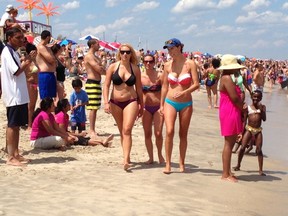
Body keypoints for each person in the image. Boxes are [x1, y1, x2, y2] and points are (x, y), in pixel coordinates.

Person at [160, 38, 199, 174]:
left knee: (183, 133)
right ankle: (168, 163)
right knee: (169, 131)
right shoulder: (167, 65)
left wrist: (185, 91)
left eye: (172, 48)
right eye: (168, 49)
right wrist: (161, 104)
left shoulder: (190, 64)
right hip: (170, 101)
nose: (170, 51)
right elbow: (164, 86)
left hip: (186, 103)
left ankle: (182, 163)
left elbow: (196, 84)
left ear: (179, 47)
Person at [103, 43, 144, 171]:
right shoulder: (113, 67)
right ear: (119, 53)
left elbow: (139, 88)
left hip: (131, 101)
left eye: (127, 52)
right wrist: (105, 102)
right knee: (122, 131)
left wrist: (141, 104)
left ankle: (126, 159)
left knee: (127, 130)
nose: (125, 54)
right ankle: (126, 155)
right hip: (115, 102)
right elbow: (106, 85)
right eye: (122, 52)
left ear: (131, 54)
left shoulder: (135, 69)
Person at [1, 27, 35, 166]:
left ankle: (15, 153)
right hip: (14, 94)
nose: (21, 40)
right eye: (18, 38)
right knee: (12, 125)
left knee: (17, 125)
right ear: (10, 38)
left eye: (22, 37)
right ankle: (10, 157)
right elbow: (15, 71)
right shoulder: (7, 52)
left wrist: (26, 61)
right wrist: (28, 61)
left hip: (19, 94)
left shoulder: (13, 52)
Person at [218, 54, 245, 182]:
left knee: (230, 141)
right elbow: (234, 98)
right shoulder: (227, 78)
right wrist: (243, 108)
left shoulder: (226, 77)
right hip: (230, 110)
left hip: (230, 110)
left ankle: (227, 171)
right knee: (229, 143)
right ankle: (225, 174)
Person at [233, 90, 266, 176]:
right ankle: (238, 165)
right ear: (251, 97)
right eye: (254, 97)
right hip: (249, 129)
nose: (256, 98)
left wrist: (262, 110)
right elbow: (244, 121)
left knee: (259, 150)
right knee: (243, 147)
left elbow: (264, 119)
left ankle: (260, 170)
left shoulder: (262, 107)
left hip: (258, 130)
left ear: (261, 98)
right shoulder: (248, 107)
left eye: (258, 97)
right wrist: (241, 132)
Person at [141, 54, 164, 164]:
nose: (148, 64)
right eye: (146, 61)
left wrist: (163, 106)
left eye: (150, 61)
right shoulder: (140, 77)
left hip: (158, 107)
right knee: (147, 133)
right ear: (143, 63)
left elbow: (165, 91)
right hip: (146, 108)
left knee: (158, 133)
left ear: (154, 63)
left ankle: (160, 155)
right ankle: (151, 157)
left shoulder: (159, 75)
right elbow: (138, 93)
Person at [84, 38, 105, 138]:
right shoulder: (89, 56)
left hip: (96, 83)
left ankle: (93, 129)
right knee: (92, 107)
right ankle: (91, 130)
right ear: (92, 45)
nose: (99, 45)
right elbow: (99, 69)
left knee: (95, 107)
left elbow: (102, 68)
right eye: (97, 44)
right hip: (92, 83)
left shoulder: (94, 56)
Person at [36, 30, 57, 99]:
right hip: (45, 74)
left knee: (51, 97)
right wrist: (54, 59)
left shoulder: (46, 47)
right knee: (46, 98)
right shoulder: (41, 47)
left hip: (50, 74)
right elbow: (51, 60)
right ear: (48, 37)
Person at [25, 41, 39, 130]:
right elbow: (26, 73)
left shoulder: (34, 61)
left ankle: (31, 123)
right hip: (30, 84)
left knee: (33, 105)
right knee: (30, 106)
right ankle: (29, 124)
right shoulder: (27, 61)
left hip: (34, 84)